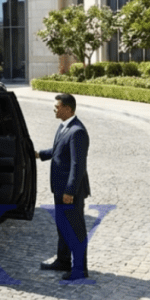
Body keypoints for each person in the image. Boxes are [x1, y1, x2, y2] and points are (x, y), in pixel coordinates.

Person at [37, 93, 91, 281]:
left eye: (57, 106)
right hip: (59, 189)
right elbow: (58, 150)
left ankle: (80, 270)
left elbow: (78, 165)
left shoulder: (77, 132)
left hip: (70, 192)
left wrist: (70, 191)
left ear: (68, 109)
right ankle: (63, 261)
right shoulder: (64, 127)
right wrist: (39, 154)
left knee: (76, 229)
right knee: (63, 227)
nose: (54, 109)